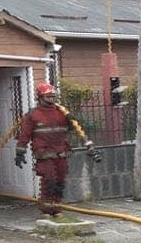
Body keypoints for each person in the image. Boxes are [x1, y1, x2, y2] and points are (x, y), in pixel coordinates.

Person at [15, 82, 101, 217]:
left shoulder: (61, 112)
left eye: (53, 96)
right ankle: (46, 209)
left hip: (61, 152)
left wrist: (72, 119)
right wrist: (20, 152)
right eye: (48, 96)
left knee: (60, 181)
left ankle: (57, 208)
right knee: (49, 180)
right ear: (40, 97)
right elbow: (25, 135)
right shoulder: (33, 115)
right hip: (44, 153)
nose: (51, 99)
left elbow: (74, 129)